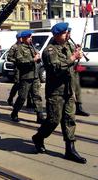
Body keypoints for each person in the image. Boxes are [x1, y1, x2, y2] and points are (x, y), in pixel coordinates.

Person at [32, 22, 86, 164]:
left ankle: (70, 149)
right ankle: (38, 137)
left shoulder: (68, 46)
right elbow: (57, 68)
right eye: (64, 33)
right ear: (56, 35)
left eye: (68, 32)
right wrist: (73, 58)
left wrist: (77, 55)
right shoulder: (49, 51)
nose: (68, 35)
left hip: (68, 89)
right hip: (56, 92)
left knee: (69, 119)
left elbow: (71, 65)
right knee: (53, 120)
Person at [10, 30, 45, 124]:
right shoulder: (19, 48)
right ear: (24, 38)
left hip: (35, 75)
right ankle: (15, 113)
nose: (31, 38)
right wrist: (33, 59)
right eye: (29, 37)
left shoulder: (32, 47)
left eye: (31, 37)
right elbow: (20, 61)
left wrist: (38, 58)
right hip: (26, 76)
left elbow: (36, 60)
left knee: (37, 96)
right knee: (22, 97)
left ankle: (40, 115)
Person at [66, 28, 90, 117]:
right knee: (70, 90)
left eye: (69, 33)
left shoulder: (71, 44)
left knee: (77, 88)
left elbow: (76, 55)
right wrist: (74, 55)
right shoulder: (61, 45)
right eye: (68, 33)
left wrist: (78, 51)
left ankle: (79, 107)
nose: (69, 35)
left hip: (74, 69)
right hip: (67, 71)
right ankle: (69, 109)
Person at [7, 32, 22, 106]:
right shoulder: (14, 47)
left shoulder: (24, 46)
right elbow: (9, 57)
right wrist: (16, 60)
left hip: (25, 68)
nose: (21, 39)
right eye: (20, 38)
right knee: (17, 84)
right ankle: (10, 98)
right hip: (18, 68)